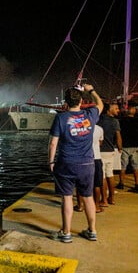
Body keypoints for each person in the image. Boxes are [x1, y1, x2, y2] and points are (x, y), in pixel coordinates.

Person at [48, 84, 104, 243]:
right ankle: (92, 231)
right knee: (88, 197)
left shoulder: (61, 118)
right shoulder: (90, 114)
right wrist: (91, 90)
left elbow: (53, 143)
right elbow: (100, 104)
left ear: (66, 102)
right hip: (87, 163)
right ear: (81, 101)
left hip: (66, 163)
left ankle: (66, 233)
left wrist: (51, 161)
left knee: (66, 198)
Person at [97, 102, 122, 207]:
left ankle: (104, 200)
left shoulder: (99, 120)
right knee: (110, 174)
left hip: (101, 151)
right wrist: (119, 148)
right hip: (111, 151)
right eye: (115, 108)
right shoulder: (115, 122)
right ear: (109, 109)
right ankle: (112, 198)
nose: (118, 110)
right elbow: (118, 136)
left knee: (102, 176)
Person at [117, 106, 138, 190]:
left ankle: (121, 183)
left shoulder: (122, 122)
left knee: (123, 166)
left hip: (125, 145)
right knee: (136, 166)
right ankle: (137, 183)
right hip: (135, 145)